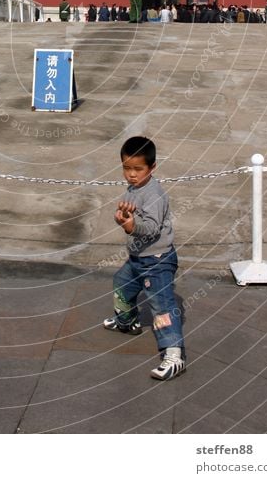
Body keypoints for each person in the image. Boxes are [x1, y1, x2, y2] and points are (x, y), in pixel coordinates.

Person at [103, 136, 185, 382]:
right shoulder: (134, 189)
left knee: (162, 308)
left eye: (138, 169)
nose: (131, 174)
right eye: (126, 168)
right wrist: (124, 216)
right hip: (138, 258)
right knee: (122, 284)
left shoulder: (154, 194)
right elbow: (133, 216)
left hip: (157, 261)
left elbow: (150, 228)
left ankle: (174, 355)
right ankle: (127, 321)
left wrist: (130, 226)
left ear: (153, 167)